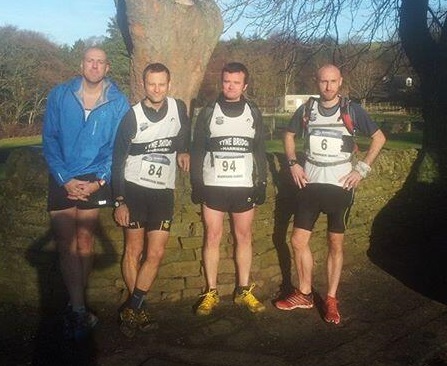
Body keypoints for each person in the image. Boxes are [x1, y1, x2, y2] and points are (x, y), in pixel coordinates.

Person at [275, 64, 386, 325]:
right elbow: (289, 135)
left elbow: (379, 138)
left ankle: (332, 298)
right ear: (317, 81)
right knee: (298, 241)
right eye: (323, 81)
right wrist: (292, 163)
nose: (328, 86)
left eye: (333, 81)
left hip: (340, 186)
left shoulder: (352, 110)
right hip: (311, 184)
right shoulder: (307, 110)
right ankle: (304, 293)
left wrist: (362, 169)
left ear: (340, 82)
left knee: (335, 244)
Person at [42, 47, 130, 338]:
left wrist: (100, 180)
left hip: (95, 178)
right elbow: (50, 138)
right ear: (82, 65)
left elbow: (116, 147)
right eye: (90, 60)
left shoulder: (118, 102)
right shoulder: (59, 95)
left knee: (85, 241)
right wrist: (64, 178)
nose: (94, 65)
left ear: (107, 68)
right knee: (66, 243)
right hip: (62, 176)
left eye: (100, 62)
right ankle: (79, 308)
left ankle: (75, 305)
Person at [111, 63, 190, 337]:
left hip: (162, 193)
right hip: (134, 190)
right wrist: (119, 200)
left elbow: (183, 132)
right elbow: (118, 160)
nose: (156, 89)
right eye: (151, 84)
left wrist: (183, 150)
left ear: (169, 84)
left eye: (161, 84)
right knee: (133, 251)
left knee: (155, 253)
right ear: (144, 85)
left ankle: (132, 308)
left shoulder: (178, 108)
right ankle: (139, 310)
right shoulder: (131, 117)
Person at [190, 62, 267, 316]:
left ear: (244, 86)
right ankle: (211, 291)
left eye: (235, 82)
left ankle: (243, 290)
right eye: (226, 81)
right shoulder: (209, 111)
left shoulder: (253, 112)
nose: (230, 86)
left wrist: (262, 182)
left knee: (243, 237)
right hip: (213, 185)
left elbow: (259, 150)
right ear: (221, 82)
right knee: (212, 236)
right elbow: (198, 149)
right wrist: (196, 183)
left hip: (243, 185)